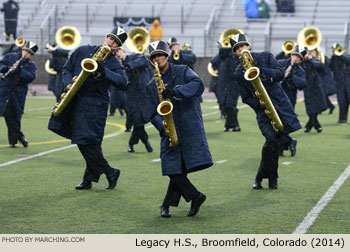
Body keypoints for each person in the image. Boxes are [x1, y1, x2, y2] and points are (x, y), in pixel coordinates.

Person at [48, 27, 128, 190]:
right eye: (111, 38)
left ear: (118, 47)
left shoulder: (113, 62)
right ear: (106, 37)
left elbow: (123, 82)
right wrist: (69, 83)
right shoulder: (84, 50)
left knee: (85, 140)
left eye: (116, 42)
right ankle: (91, 178)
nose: (111, 43)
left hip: (95, 104)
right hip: (76, 100)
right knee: (88, 141)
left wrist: (103, 71)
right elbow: (67, 69)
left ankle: (109, 172)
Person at [147, 40, 213, 217]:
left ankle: (168, 205)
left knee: (178, 169)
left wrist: (177, 92)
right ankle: (195, 197)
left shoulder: (182, 71)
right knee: (172, 168)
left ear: (167, 56)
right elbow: (151, 112)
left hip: (188, 126)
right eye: (153, 57)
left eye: (160, 55)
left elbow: (198, 85)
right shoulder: (150, 84)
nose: (157, 59)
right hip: (168, 130)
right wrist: (162, 127)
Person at [231, 34, 301, 189]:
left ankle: (266, 179)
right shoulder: (238, 72)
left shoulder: (265, 56)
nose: (241, 50)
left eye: (243, 46)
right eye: (237, 48)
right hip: (263, 111)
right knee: (271, 140)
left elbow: (279, 74)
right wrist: (261, 104)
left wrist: (261, 70)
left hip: (280, 107)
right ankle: (269, 178)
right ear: (235, 53)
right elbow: (246, 98)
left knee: (273, 144)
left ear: (249, 46)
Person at [115, 47, 153, 153]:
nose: (116, 55)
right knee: (137, 121)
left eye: (117, 52)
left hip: (144, 94)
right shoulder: (119, 67)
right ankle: (143, 143)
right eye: (115, 54)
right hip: (132, 96)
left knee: (141, 120)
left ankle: (133, 144)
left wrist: (129, 65)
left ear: (122, 50)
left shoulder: (135, 57)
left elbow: (145, 61)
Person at [0, 41, 37, 148]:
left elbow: (30, 77)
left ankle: (15, 139)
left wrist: (19, 69)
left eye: (29, 53)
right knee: (8, 115)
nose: (26, 54)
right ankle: (16, 138)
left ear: (31, 55)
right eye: (25, 50)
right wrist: (6, 69)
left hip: (18, 94)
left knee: (15, 117)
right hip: (5, 91)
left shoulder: (31, 65)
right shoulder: (10, 57)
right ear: (22, 49)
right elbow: (1, 64)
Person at [277, 45, 307, 156]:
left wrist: (291, 76)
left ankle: (281, 148)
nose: (296, 58)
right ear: (291, 54)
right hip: (276, 96)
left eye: (298, 57)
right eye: (295, 55)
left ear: (300, 60)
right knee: (276, 122)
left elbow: (302, 84)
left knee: (284, 123)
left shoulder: (300, 71)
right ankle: (289, 142)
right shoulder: (281, 63)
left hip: (289, 98)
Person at [216, 42, 241, 132]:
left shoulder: (233, 57)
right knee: (226, 106)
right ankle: (233, 126)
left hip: (232, 85)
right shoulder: (223, 57)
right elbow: (213, 61)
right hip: (224, 85)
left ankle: (231, 126)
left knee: (230, 106)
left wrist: (230, 48)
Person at [301, 48, 328, 133]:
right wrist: (304, 56)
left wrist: (311, 59)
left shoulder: (317, 61)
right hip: (308, 87)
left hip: (317, 87)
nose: (310, 53)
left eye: (312, 51)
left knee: (316, 107)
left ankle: (310, 126)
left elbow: (322, 68)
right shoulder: (303, 63)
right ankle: (316, 125)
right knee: (310, 108)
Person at [329, 43, 350, 124]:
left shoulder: (347, 56)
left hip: (348, 84)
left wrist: (339, 54)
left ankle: (344, 119)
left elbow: (348, 61)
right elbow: (330, 67)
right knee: (341, 102)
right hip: (339, 84)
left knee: (348, 101)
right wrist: (333, 57)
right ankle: (342, 119)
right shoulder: (335, 59)